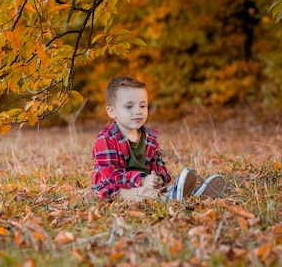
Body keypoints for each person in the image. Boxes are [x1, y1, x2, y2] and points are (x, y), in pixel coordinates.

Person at [90, 76, 226, 202]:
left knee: (155, 188)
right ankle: (171, 197)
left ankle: (188, 193)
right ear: (111, 111)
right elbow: (111, 176)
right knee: (135, 192)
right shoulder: (106, 139)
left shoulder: (149, 139)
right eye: (129, 106)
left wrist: (160, 178)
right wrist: (142, 180)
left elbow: (159, 166)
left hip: (146, 184)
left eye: (142, 106)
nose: (138, 111)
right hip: (113, 189)